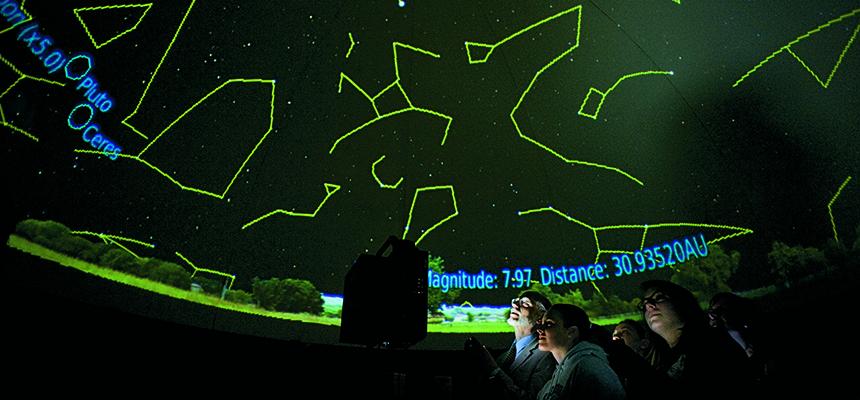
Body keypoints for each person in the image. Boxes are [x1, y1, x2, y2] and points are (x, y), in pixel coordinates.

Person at [638, 280, 754, 397]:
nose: (648, 306)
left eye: (659, 297)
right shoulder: (661, 362)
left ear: (682, 302)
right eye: (644, 304)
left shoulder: (711, 344)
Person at [465, 291, 556, 400]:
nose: (515, 305)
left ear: (540, 318)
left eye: (525, 303)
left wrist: (494, 370)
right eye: (516, 302)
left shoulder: (546, 356)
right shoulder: (503, 357)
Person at [535, 303, 626, 400]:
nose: (539, 329)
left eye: (549, 324)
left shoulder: (589, 368)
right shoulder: (563, 371)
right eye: (541, 324)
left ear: (571, 332)